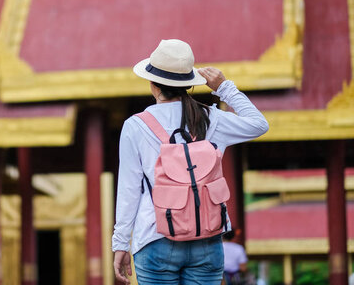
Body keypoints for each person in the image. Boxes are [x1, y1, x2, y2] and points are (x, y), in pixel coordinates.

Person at [112, 39, 269, 285]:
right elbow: (259, 124)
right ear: (188, 84)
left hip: (155, 236)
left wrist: (120, 243)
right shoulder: (210, 118)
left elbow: (129, 190)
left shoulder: (136, 126)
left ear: (152, 84)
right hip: (206, 237)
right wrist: (224, 88)